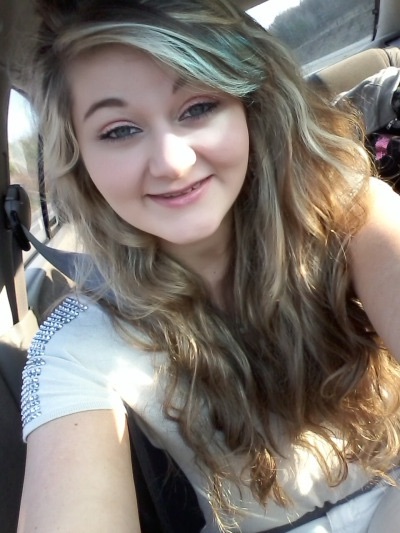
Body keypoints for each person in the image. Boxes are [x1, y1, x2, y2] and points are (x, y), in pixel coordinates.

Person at [17, 1, 400, 532]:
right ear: (80, 158)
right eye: (119, 131)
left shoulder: (355, 216)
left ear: (250, 106)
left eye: (197, 107)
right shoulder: (76, 344)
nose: (172, 162)